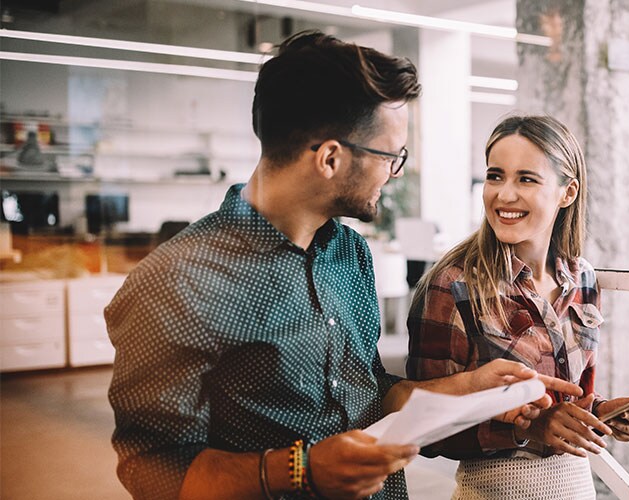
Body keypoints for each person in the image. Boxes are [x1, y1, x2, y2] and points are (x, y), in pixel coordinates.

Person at [106, 31, 578, 500]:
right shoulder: (175, 282)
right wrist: (301, 471)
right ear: (330, 158)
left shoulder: (349, 254)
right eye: (391, 156)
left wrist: (468, 388)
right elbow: (153, 469)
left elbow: (371, 395)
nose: (395, 173)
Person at [407, 115, 629, 499]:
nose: (504, 194)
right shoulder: (454, 284)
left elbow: (570, 399)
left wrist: (600, 413)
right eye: (495, 176)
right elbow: (423, 428)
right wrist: (527, 428)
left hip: (575, 488)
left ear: (567, 193)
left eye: (526, 179)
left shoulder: (582, 279)